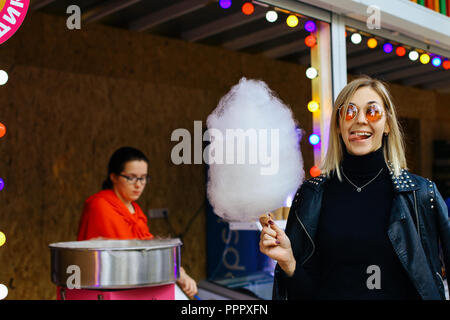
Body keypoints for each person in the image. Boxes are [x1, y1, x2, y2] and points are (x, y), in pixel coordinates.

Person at [259, 76, 450, 300]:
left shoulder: (421, 194)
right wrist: (288, 262)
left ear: (387, 124)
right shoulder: (312, 195)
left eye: (372, 112)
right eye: (349, 111)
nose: (360, 120)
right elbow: (308, 292)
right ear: (339, 125)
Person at [77, 146, 198, 298]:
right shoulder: (100, 205)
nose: (139, 184)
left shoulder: (135, 209)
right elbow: (126, 256)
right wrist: (174, 272)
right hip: (115, 287)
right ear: (113, 177)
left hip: (139, 282)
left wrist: (179, 271)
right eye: (131, 177)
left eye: (143, 178)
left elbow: (147, 248)